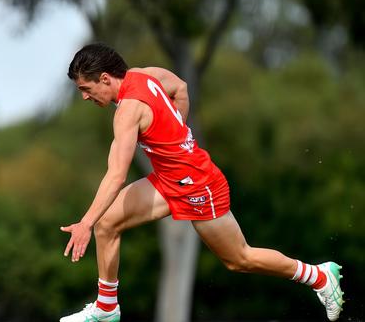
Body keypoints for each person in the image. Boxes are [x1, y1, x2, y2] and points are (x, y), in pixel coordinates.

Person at [59, 43, 344, 322]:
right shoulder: (145, 74)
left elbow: (117, 175)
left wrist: (84, 223)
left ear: (105, 78)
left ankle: (318, 276)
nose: (85, 96)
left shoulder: (127, 112)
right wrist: (176, 131)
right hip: (168, 181)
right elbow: (180, 87)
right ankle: (107, 307)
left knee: (238, 259)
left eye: (86, 88)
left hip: (198, 185)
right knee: (106, 222)